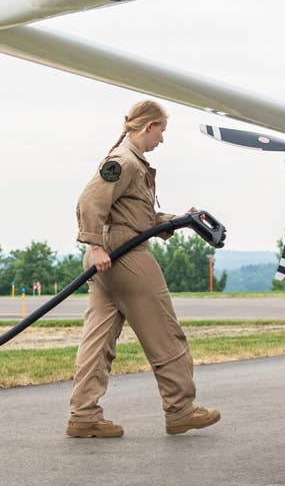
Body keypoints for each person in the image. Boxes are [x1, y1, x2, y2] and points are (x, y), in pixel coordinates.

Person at [66, 99, 221, 438]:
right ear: (148, 127)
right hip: (125, 256)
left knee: (98, 341)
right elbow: (90, 202)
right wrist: (94, 246)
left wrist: (180, 220)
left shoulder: (131, 162)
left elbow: (138, 218)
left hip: (109, 257)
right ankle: (180, 410)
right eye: (161, 131)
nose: (161, 140)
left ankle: (84, 415)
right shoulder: (124, 162)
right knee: (165, 333)